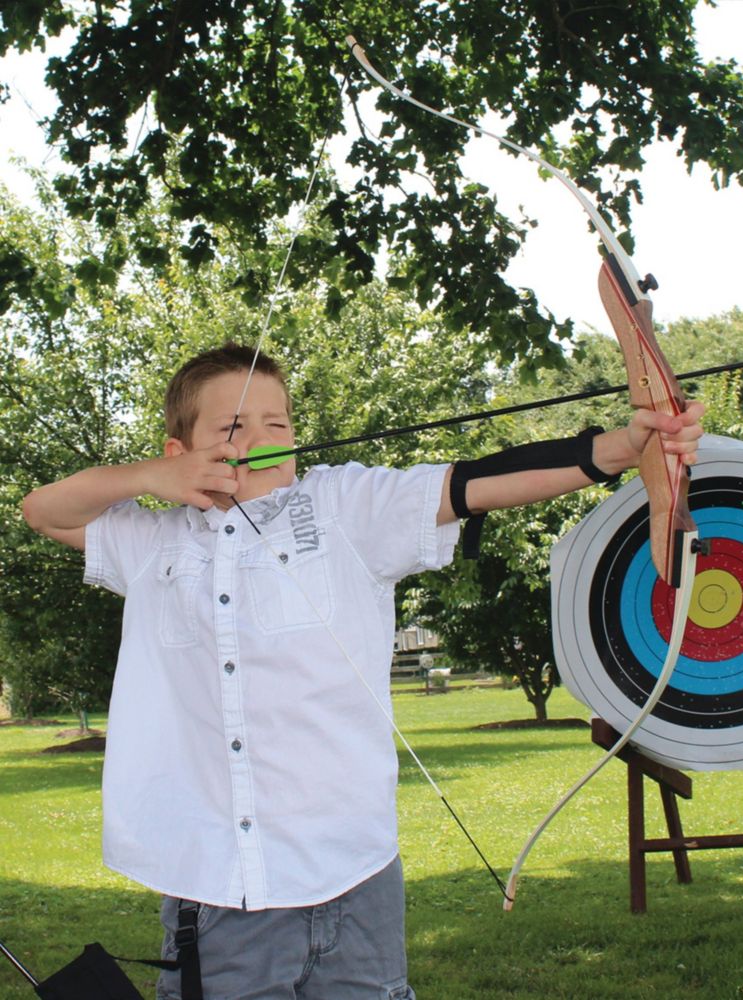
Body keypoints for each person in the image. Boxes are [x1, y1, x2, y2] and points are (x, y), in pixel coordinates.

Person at [22, 342, 704, 1000]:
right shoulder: (152, 541)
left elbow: (471, 484)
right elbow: (43, 509)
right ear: (179, 451)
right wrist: (149, 479)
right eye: (232, 427)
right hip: (220, 883)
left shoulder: (344, 506)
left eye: (277, 423)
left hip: (352, 871)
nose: (261, 436)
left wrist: (616, 449)